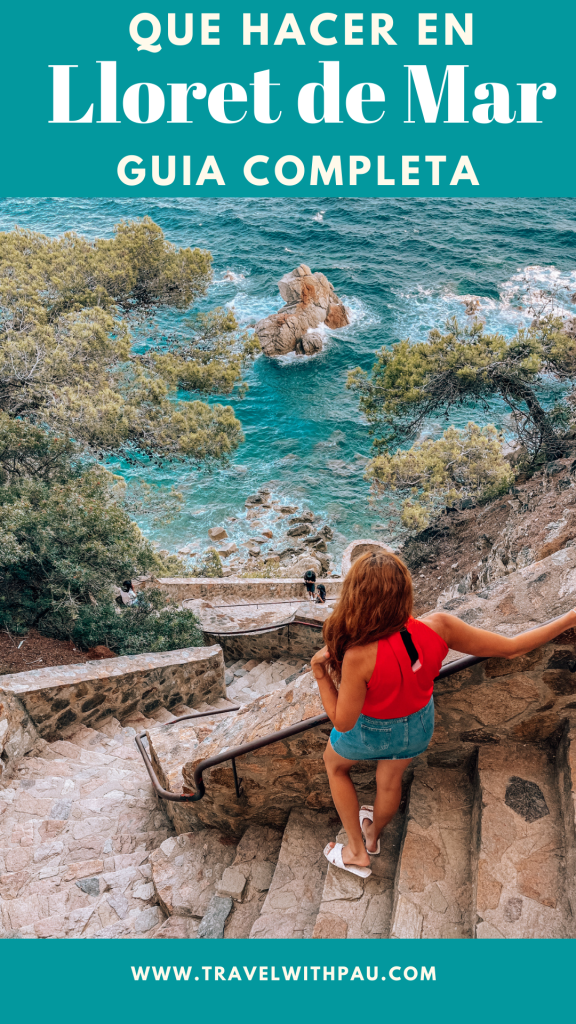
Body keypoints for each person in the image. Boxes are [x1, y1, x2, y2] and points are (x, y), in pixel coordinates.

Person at [310, 549, 576, 879]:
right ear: (404, 591)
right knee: (389, 782)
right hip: (418, 726)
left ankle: (356, 850)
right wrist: (569, 618)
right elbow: (512, 648)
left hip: (370, 731)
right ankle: (373, 836)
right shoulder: (440, 626)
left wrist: (319, 672)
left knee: (335, 766)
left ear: (356, 597)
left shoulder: (358, 655)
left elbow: (344, 721)